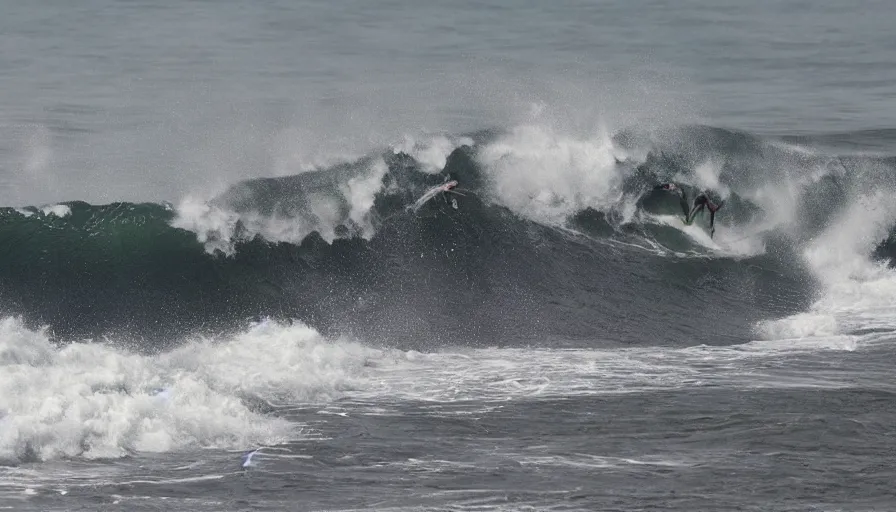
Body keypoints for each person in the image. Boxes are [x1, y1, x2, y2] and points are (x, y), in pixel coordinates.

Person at [655, 183, 724, 237]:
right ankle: (687, 221)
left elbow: (712, 217)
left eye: (715, 209)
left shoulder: (713, 210)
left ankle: (688, 220)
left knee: (697, 213)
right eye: (714, 207)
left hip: (702, 203)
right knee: (691, 216)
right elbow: (704, 193)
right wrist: (708, 201)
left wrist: (712, 228)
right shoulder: (707, 199)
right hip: (698, 201)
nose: (714, 209)